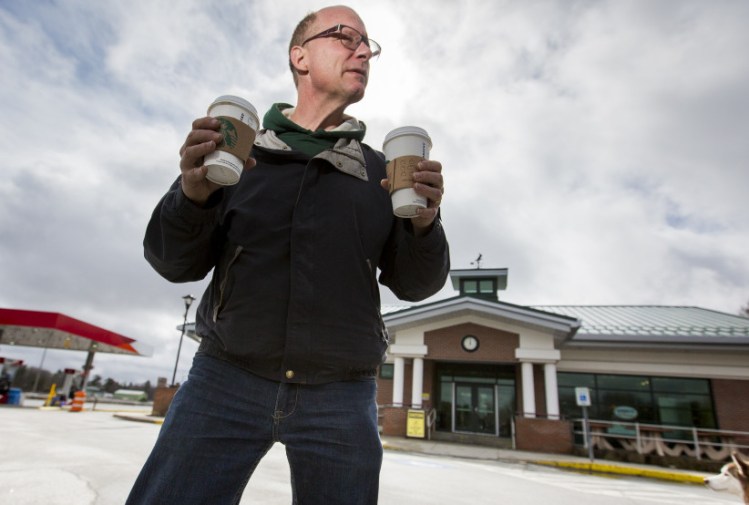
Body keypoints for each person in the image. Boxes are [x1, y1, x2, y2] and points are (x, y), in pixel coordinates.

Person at [127, 5, 449, 504]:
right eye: (345, 37)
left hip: (341, 394)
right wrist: (191, 197)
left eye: (369, 46)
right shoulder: (234, 152)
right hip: (226, 380)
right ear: (299, 56)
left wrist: (425, 225)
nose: (362, 51)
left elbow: (416, 284)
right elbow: (173, 263)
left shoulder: (381, 172)